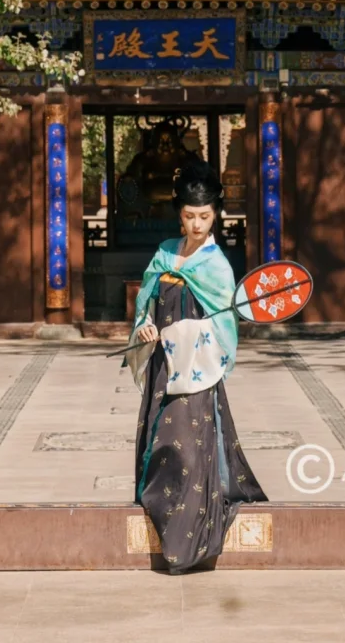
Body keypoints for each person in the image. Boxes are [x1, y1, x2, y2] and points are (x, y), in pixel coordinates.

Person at [127, 156, 266, 574]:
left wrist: (185, 332)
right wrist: (145, 324)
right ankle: (161, 525)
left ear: (215, 214)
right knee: (161, 447)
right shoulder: (165, 253)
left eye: (204, 216)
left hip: (197, 370)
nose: (197, 225)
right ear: (179, 215)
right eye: (189, 216)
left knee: (187, 451)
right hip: (163, 368)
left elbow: (225, 327)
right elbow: (146, 300)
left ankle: (191, 543)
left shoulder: (217, 266)